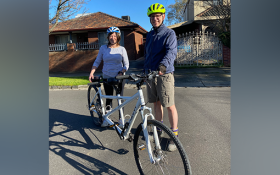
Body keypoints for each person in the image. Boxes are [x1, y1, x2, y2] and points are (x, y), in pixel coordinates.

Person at [144, 3, 178, 151]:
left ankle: (174, 135)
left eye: (157, 16)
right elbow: (147, 55)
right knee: (156, 103)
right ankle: (158, 129)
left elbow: (171, 52)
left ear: (163, 17)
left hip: (164, 74)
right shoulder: (149, 35)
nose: (155, 19)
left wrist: (163, 66)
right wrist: (145, 71)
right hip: (150, 75)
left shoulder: (169, 34)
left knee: (169, 105)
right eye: (152, 17)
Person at [89, 26, 129, 127]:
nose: (113, 37)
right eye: (111, 35)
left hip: (119, 77)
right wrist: (92, 72)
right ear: (108, 37)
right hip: (107, 76)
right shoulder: (103, 48)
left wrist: (122, 72)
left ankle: (121, 120)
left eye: (115, 35)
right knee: (109, 98)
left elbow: (126, 64)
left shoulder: (122, 49)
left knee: (120, 98)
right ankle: (107, 118)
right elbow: (97, 61)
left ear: (118, 37)